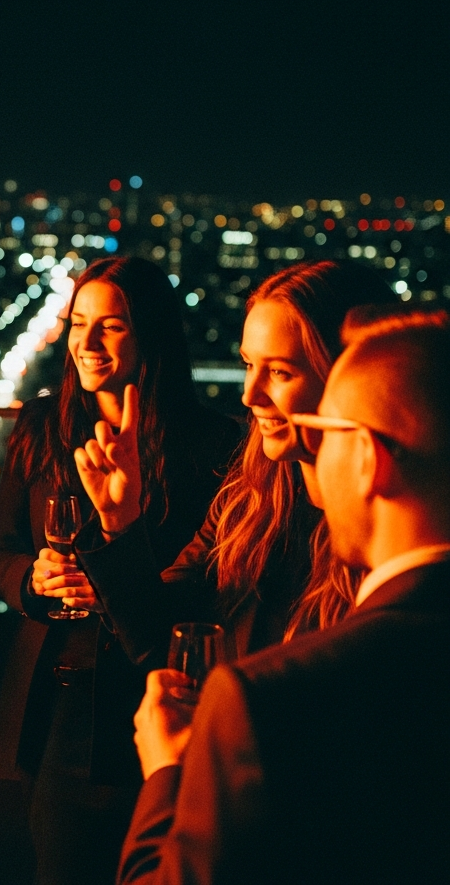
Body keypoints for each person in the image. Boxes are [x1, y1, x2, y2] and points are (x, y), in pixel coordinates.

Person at [117, 305, 450, 885]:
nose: (250, 397)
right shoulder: (244, 499)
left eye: (327, 434)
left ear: (368, 458)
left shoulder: (258, 701)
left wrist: (166, 771)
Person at [0, 256, 243, 884]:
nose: (88, 342)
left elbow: (203, 590)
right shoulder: (44, 425)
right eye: (79, 323)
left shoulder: (211, 444)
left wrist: (119, 572)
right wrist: (32, 580)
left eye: (113, 325)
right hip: (60, 693)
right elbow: (2, 551)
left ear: (150, 331)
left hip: (151, 694)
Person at [74, 260, 393, 667]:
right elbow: (159, 634)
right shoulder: (247, 495)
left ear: (349, 376)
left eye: (279, 371)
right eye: (248, 365)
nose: (250, 394)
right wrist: (120, 521)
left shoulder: (395, 527)